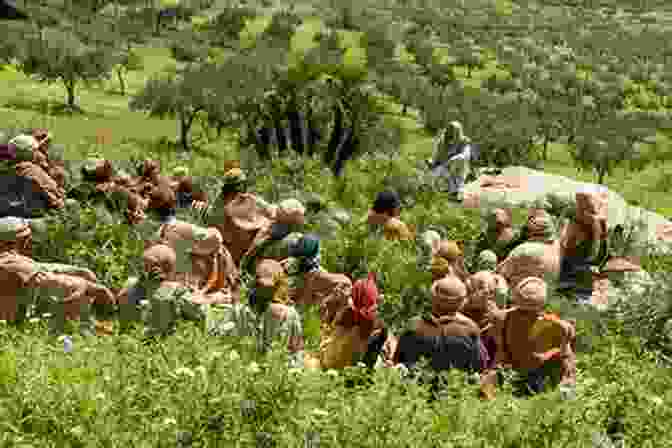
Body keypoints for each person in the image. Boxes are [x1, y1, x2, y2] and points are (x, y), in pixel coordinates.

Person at [0, 216, 114, 335]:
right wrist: (94, 289)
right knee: (74, 289)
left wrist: (78, 271)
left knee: (81, 276)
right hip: (11, 329)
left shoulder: (8, 259)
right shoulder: (10, 264)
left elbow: (38, 268)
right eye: (27, 239)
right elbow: (54, 282)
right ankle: (86, 331)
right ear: (19, 242)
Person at [146, 184, 239, 304]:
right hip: (182, 285)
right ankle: (228, 291)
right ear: (173, 205)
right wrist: (214, 230)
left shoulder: (149, 231)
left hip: (160, 284)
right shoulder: (178, 227)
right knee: (220, 250)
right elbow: (215, 240)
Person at [393, 276, 482, 397]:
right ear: (461, 303)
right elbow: (478, 367)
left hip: (418, 398)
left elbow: (399, 362)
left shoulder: (413, 326)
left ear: (433, 299)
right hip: (454, 399)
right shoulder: (470, 329)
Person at [206, 259, 304, 368]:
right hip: (248, 368)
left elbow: (296, 350)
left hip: (275, 370)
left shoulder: (289, 314)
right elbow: (217, 337)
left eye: (268, 288)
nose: (264, 292)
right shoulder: (240, 312)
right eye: (260, 286)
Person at [490, 277, 577, 397]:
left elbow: (498, 343)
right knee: (566, 352)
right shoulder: (552, 324)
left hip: (510, 370)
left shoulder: (501, 318)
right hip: (536, 376)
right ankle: (567, 384)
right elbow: (569, 335)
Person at [128, 244, 208, 338]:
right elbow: (201, 313)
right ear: (169, 267)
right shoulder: (176, 290)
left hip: (138, 339)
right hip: (167, 342)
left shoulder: (133, 286)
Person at [306, 272, 381, 369]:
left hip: (330, 366)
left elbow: (331, 353)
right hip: (351, 369)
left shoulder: (349, 315)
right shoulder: (372, 322)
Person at [206, 166, 277, 265]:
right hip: (233, 251)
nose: (243, 189)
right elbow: (223, 236)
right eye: (241, 185)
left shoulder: (244, 198)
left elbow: (270, 209)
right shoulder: (220, 208)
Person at [558, 189, 609, 305]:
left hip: (572, 270)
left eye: (578, 202)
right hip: (588, 268)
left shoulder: (579, 222)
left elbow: (566, 244)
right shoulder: (600, 222)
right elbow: (603, 248)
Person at [496, 208, 562, 291]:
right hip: (548, 296)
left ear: (530, 230)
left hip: (522, 298)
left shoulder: (523, 250)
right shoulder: (559, 248)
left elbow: (500, 274)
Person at [428, 121, 473, 201]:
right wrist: (432, 161)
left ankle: (455, 192)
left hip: (457, 170)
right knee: (435, 179)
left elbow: (466, 155)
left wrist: (454, 159)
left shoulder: (464, 142)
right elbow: (436, 155)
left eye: (452, 130)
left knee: (455, 183)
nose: (450, 133)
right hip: (443, 168)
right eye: (449, 130)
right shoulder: (442, 141)